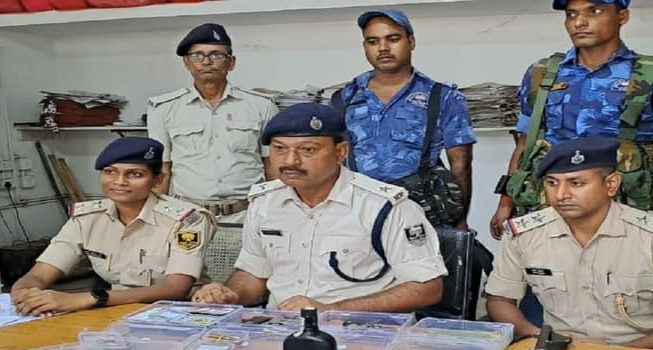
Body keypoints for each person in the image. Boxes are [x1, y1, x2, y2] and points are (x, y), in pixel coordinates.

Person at [192, 103, 446, 312]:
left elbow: (426, 288)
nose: (291, 161)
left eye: (307, 150)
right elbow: (254, 274)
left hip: (360, 330)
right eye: (280, 149)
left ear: (340, 152)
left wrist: (332, 310)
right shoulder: (264, 202)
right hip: (280, 328)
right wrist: (228, 294)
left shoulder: (385, 206)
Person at [490, 0, 653, 240]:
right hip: (548, 210)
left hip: (623, 214)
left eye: (594, 11)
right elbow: (525, 145)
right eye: (571, 14)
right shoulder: (542, 73)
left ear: (622, 16)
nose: (579, 22)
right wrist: (505, 203)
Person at [484, 137, 653, 350]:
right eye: (552, 183)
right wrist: (538, 337)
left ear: (611, 184)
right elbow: (499, 300)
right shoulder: (523, 235)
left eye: (576, 183)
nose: (561, 194)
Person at [11, 137, 217, 316]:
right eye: (110, 172)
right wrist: (26, 293)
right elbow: (40, 273)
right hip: (116, 312)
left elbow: (176, 288)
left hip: (182, 312)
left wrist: (91, 298)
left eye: (135, 174)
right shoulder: (86, 218)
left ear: (158, 180)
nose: (120, 182)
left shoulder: (187, 219)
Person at [332, 9, 475, 228]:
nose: (383, 48)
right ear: (365, 47)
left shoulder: (442, 97)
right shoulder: (345, 98)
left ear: (411, 42)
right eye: (373, 41)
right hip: (357, 214)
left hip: (421, 214)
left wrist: (460, 221)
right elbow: (330, 160)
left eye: (393, 39)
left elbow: (461, 165)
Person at [147, 23, 278, 223]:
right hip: (187, 215)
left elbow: (272, 166)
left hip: (247, 214)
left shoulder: (261, 106)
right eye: (197, 55)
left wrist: (277, 213)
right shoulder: (163, 108)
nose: (206, 61)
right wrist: (155, 220)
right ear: (186, 62)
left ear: (231, 62)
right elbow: (162, 170)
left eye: (216, 55)